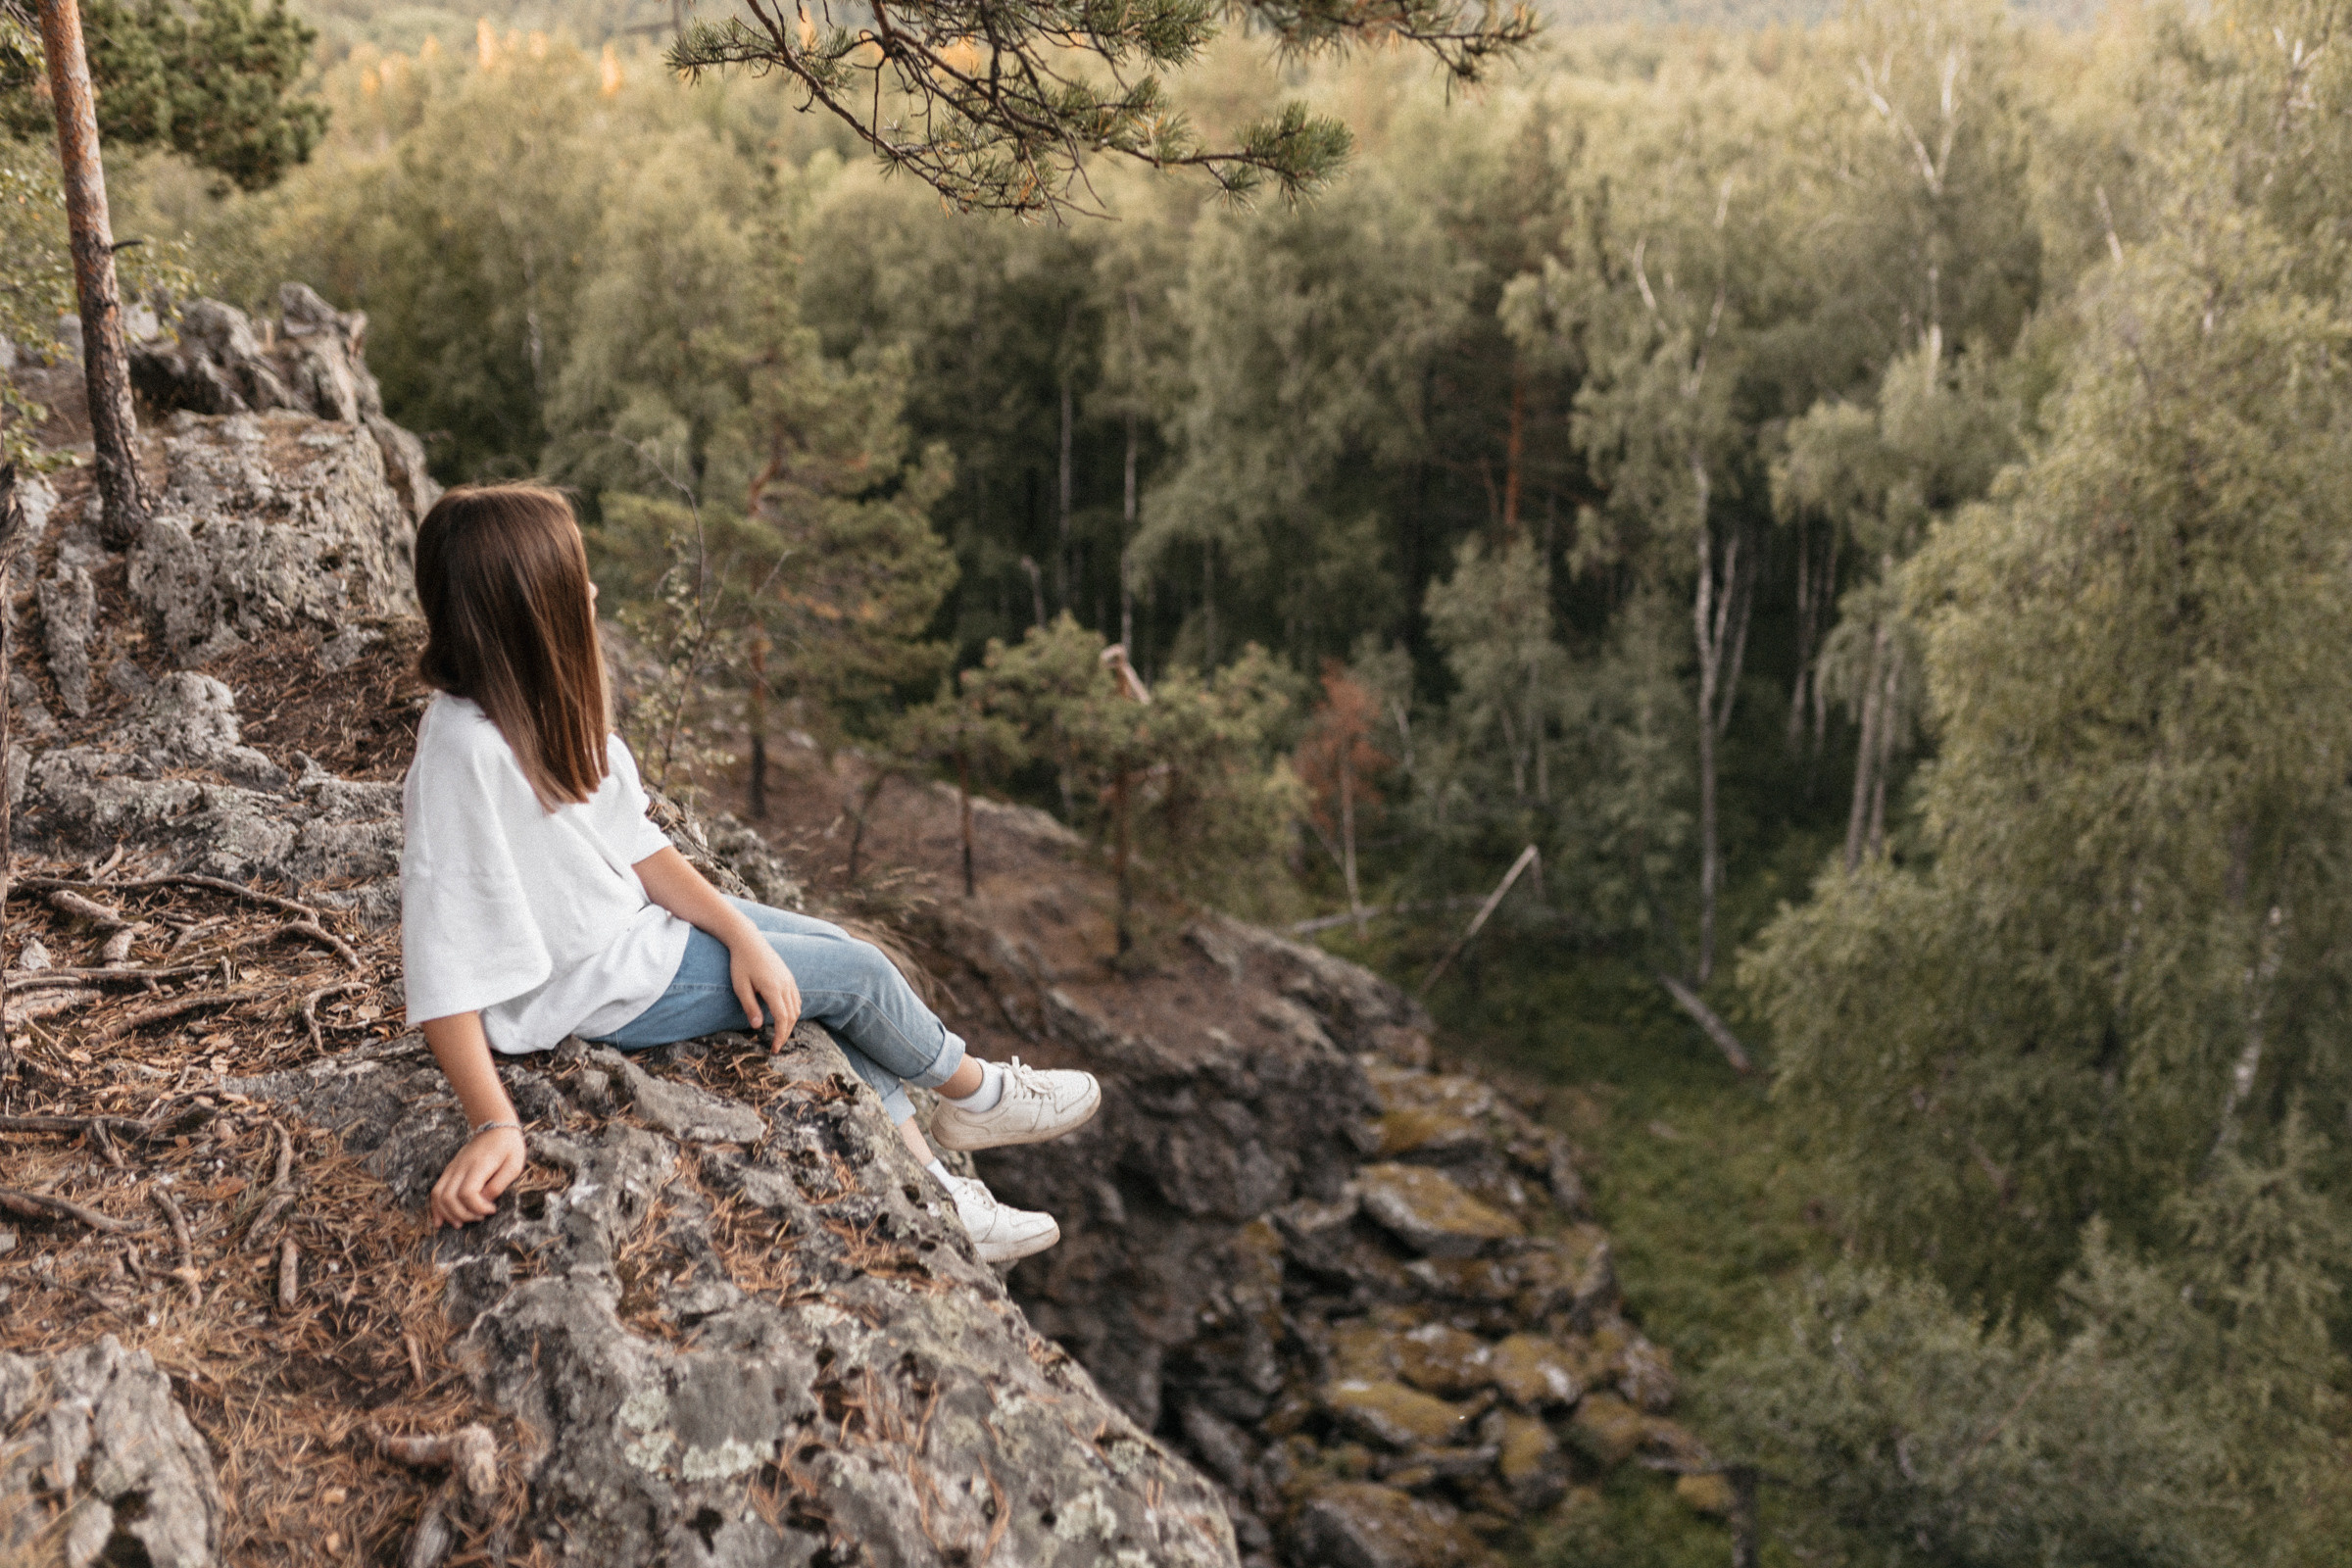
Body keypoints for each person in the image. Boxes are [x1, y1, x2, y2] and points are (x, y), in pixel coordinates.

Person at [397, 483, 1097, 1261]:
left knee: (833, 957)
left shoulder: (540, 705)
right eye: (575, 580)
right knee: (859, 978)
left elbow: (636, 845)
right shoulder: (462, 752)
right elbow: (440, 958)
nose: (592, 593)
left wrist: (739, 933)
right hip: (599, 985)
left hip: (639, 937)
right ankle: (978, 1094)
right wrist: (494, 1121)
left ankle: (939, 1190)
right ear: (533, 610)